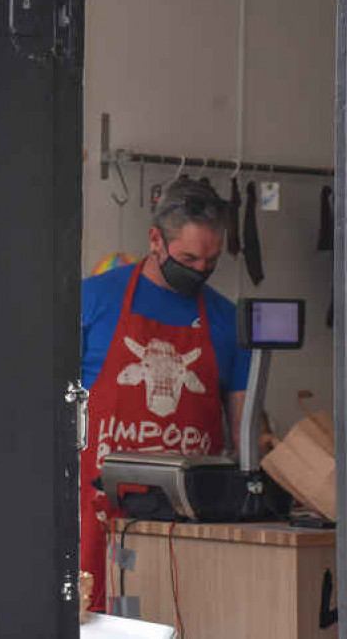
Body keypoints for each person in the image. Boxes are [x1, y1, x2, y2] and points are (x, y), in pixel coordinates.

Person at [79, 176, 251, 610]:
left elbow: (245, 432)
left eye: (210, 260)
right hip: (96, 519)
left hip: (186, 526)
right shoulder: (92, 300)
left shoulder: (227, 320)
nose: (199, 269)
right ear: (156, 240)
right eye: (188, 257)